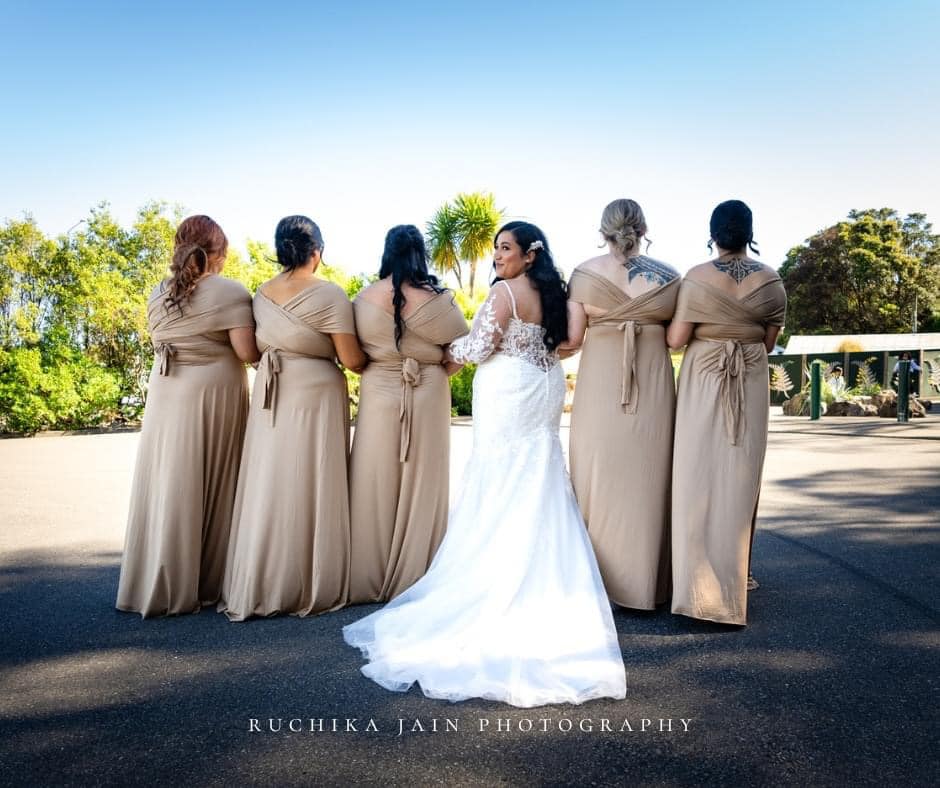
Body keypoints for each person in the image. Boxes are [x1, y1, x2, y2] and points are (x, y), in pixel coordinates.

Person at [343, 221, 626, 707]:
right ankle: (543, 579)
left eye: (505, 248)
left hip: (509, 389)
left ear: (528, 255)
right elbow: (567, 342)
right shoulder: (554, 292)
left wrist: (436, 352)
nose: (497, 256)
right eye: (495, 248)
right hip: (543, 383)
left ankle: (494, 577)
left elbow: (477, 348)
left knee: (500, 477)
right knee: (538, 473)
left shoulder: (503, 294)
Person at [218, 216, 366, 621]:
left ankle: (262, 577)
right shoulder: (331, 294)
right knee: (313, 478)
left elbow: (250, 351)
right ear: (317, 251)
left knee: (271, 479)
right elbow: (352, 360)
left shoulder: (260, 295)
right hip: (315, 393)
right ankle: (308, 578)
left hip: (272, 392)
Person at [117, 215, 259, 617]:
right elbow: (248, 353)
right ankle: (207, 582)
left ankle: (158, 579)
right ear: (219, 252)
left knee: (169, 480)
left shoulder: (157, 293)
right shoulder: (230, 292)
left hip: (165, 393)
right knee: (214, 478)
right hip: (214, 392)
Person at [667, 200, 787, 625]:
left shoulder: (696, 278)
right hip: (750, 375)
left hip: (705, 376)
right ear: (749, 232)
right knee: (741, 473)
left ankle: (692, 582)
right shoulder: (772, 280)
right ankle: (739, 576)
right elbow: (769, 343)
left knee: (695, 474)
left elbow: (677, 339)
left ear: (713, 232)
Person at [346, 225, 469, 604]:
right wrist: (431, 372)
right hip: (428, 391)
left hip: (379, 388)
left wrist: (389, 367)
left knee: (373, 475)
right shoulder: (439, 300)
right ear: (421, 254)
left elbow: (354, 360)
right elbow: (461, 353)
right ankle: (421, 570)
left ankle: (367, 573)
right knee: (424, 477)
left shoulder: (362, 300)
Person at [567, 199, 679, 611]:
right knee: (649, 473)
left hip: (600, 382)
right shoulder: (670, 277)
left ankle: (595, 585)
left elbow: (573, 338)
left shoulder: (583, 274)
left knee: (596, 472)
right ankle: (647, 583)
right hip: (651, 383)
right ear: (644, 227)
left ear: (603, 231)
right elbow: (676, 340)